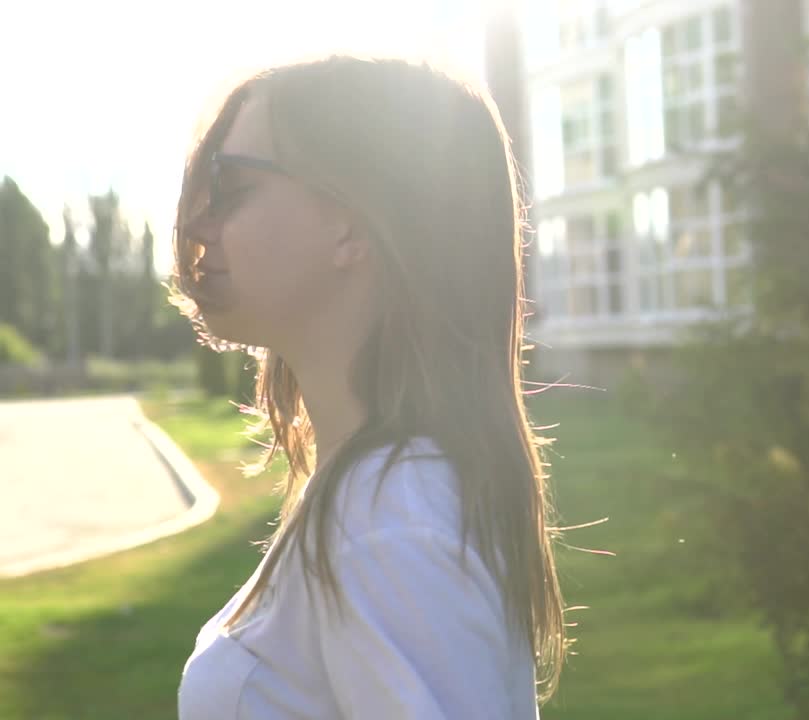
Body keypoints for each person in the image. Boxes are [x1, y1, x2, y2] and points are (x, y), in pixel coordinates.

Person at [170, 55, 565, 719]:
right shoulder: (373, 494)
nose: (197, 225)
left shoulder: (391, 516)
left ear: (351, 222)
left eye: (231, 186)